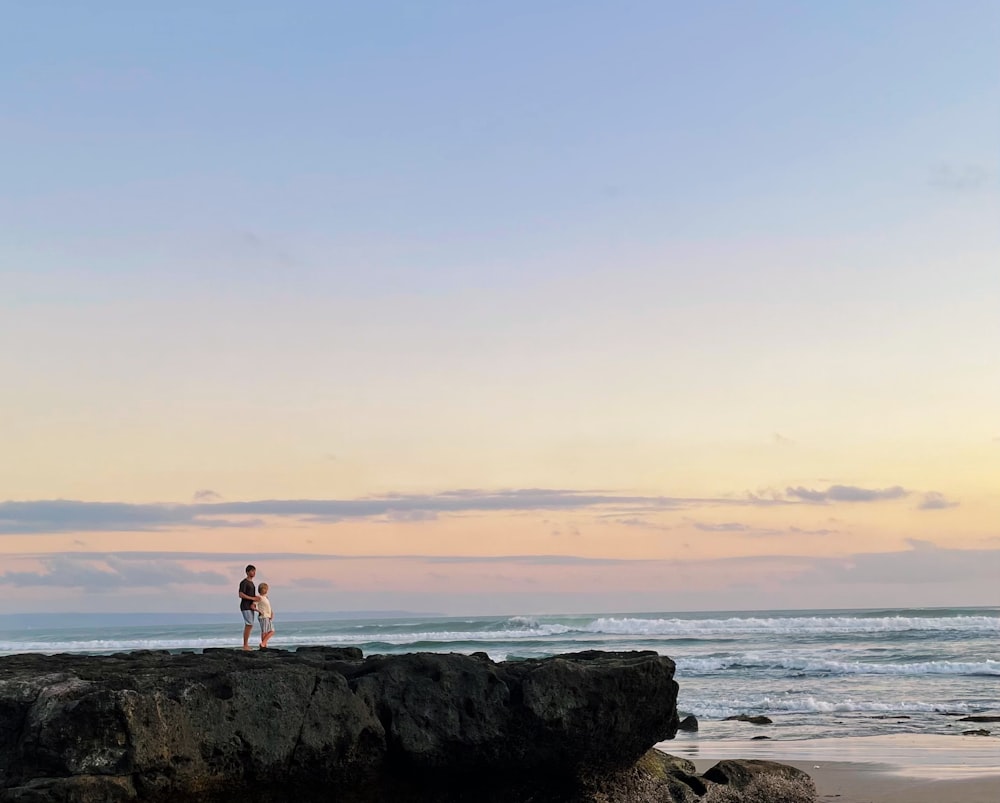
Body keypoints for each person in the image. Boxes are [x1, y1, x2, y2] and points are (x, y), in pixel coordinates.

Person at [238, 564, 261, 650]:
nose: (254, 572)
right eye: (252, 571)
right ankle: (245, 645)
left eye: (254, 571)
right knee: (249, 624)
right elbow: (241, 594)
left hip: (250, 606)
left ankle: (246, 644)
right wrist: (252, 598)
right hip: (245, 606)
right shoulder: (244, 582)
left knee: (250, 625)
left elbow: (250, 595)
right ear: (247, 572)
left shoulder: (251, 583)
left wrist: (256, 598)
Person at [256, 582, 274, 649]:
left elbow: (268, 606)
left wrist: (271, 613)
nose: (266, 590)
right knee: (264, 631)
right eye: (265, 589)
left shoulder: (266, 597)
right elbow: (253, 606)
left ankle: (263, 643)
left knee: (271, 631)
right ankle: (263, 644)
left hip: (268, 616)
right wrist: (259, 611)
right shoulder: (258, 597)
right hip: (263, 616)